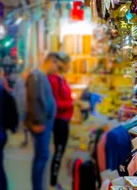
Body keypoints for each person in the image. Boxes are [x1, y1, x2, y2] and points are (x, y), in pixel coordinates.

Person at [26, 52, 66, 190]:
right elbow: (34, 100)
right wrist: (37, 121)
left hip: (44, 123)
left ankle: (40, 186)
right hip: (41, 124)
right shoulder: (36, 77)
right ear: (51, 62)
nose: (57, 70)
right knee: (41, 157)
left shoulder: (42, 77)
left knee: (42, 157)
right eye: (57, 66)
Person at [48, 55, 74, 189]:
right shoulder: (54, 80)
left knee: (60, 151)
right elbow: (55, 103)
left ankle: (54, 181)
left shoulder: (60, 79)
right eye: (68, 63)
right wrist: (72, 103)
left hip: (64, 120)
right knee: (58, 152)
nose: (69, 66)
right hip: (59, 120)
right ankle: (52, 183)